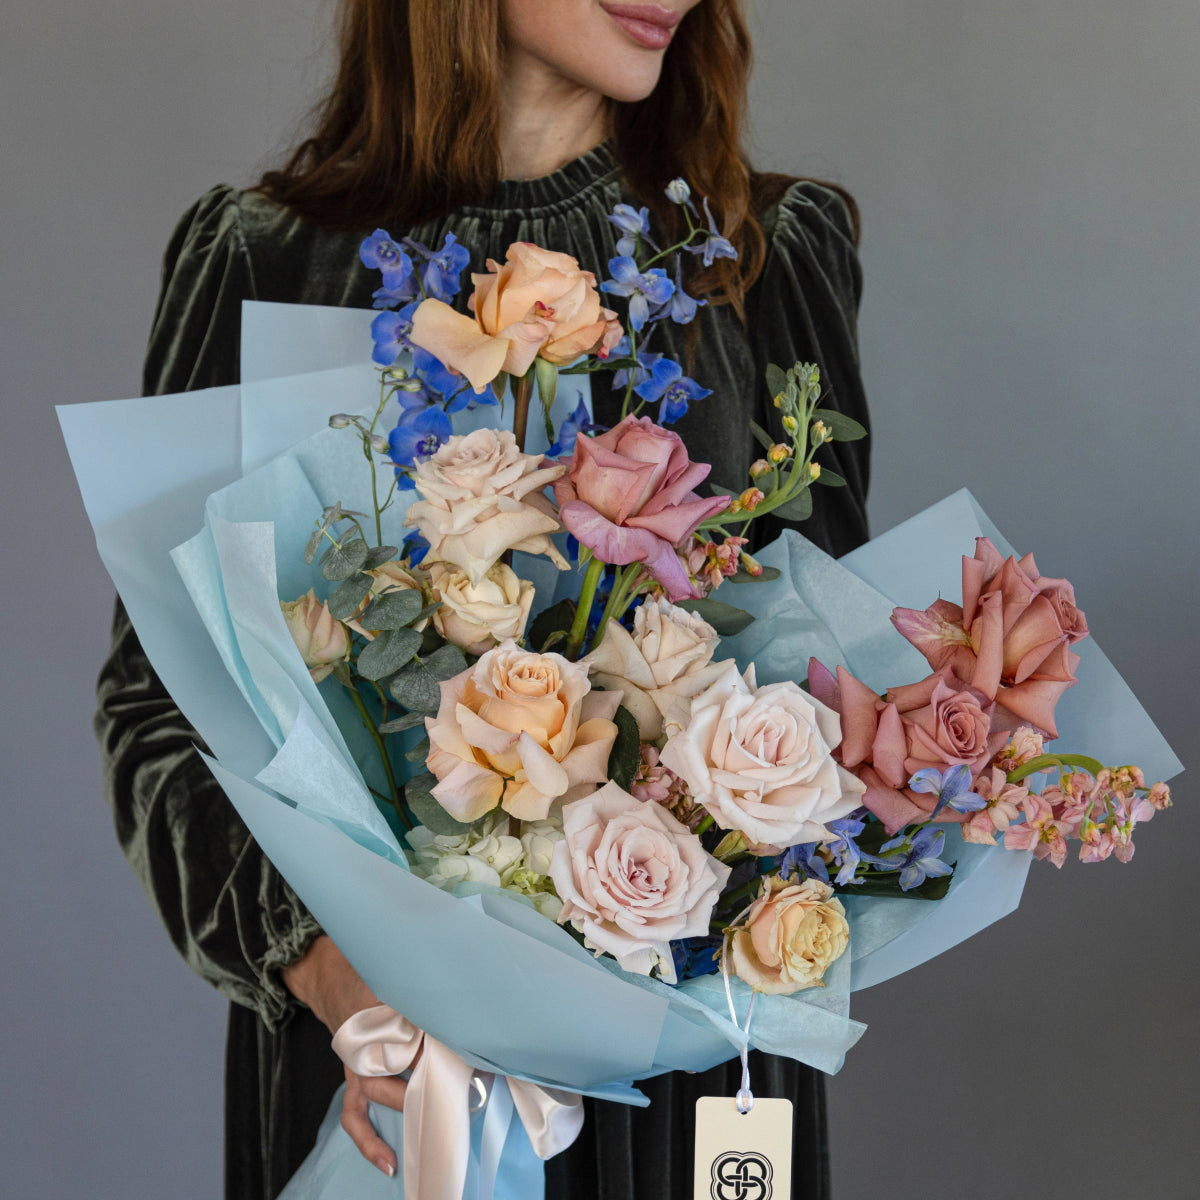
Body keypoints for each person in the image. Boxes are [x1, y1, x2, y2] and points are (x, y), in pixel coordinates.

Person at [96, 1, 871, 1196]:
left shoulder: (765, 257)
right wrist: (333, 979)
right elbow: (162, 711)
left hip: (687, 1086)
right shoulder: (261, 258)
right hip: (389, 1078)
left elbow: (831, 697)